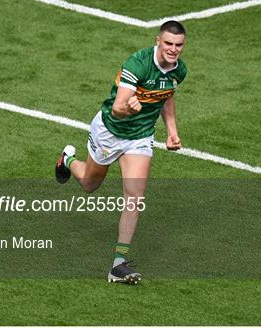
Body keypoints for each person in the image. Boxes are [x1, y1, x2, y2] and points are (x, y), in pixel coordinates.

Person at [55, 20, 187, 284]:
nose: (173, 50)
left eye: (179, 45)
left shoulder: (178, 70)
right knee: (90, 184)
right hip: (111, 131)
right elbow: (116, 108)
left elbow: (167, 95)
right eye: (169, 43)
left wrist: (171, 130)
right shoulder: (137, 64)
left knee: (135, 197)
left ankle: (118, 265)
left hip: (139, 138)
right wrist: (130, 106)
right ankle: (67, 160)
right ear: (157, 41)